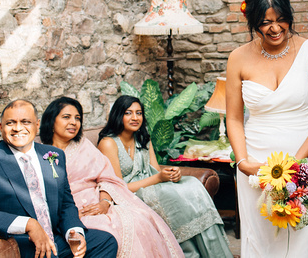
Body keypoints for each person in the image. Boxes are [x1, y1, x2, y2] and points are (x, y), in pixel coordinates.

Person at [225, 0, 308, 258]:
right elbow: (234, 117)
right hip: (255, 165)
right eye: (265, 22)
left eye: (281, 20)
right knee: (261, 238)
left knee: (302, 237)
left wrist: (294, 163)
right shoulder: (237, 58)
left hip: (303, 160)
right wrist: (243, 162)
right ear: (253, 22)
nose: (275, 28)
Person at [0, 99, 118, 258]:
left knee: (105, 242)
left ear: (37, 125)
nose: (18, 128)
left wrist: (73, 232)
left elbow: (65, 203)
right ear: (1, 127)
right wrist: (28, 224)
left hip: (56, 238)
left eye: (25, 122)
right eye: (10, 123)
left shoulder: (53, 155)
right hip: (22, 243)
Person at [39, 96, 183, 258]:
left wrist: (105, 202)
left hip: (100, 203)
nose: (73, 122)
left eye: (77, 118)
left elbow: (107, 178)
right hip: (75, 213)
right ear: (51, 121)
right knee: (113, 230)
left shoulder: (83, 146)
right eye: (66, 117)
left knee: (139, 219)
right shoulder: (40, 154)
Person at [97, 95, 233, 258]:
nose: (135, 118)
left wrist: (171, 175)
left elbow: (155, 170)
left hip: (152, 185)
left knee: (192, 184)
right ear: (118, 115)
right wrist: (159, 178)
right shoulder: (108, 143)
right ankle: (190, 252)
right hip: (128, 194)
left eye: (139, 113)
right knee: (172, 196)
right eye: (129, 113)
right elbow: (119, 187)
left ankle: (215, 251)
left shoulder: (142, 138)